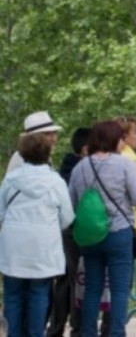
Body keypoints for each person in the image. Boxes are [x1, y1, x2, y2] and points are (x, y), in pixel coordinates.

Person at [68, 120, 136, 337]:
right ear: (113, 139)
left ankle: (88, 333)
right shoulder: (124, 165)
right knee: (119, 290)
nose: (123, 143)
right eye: (121, 138)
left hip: (90, 236)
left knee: (92, 287)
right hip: (118, 233)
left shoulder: (81, 166)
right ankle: (116, 333)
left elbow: (72, 202)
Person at [0, 132, 76, 337]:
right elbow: (68, 217)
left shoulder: (11, 179)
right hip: (43, 248)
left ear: (22, 154)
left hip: (13, 248)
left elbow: (1, 211)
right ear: (47, 153)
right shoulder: (55, 181)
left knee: (13, 296)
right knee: (40, 294)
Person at [47, 127, 91, 337]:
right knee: (78, 280)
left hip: (62, 232)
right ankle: (78, 327)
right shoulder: (82, 171)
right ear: (85, 149)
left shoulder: (62, 170)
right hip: (77, 231)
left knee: (64, 281)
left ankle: (56, 328)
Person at [115, 116, 136, 255]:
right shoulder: (132, 159)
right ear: (125, 136)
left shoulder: (106, 156)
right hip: (130, 224)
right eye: (135, 132)